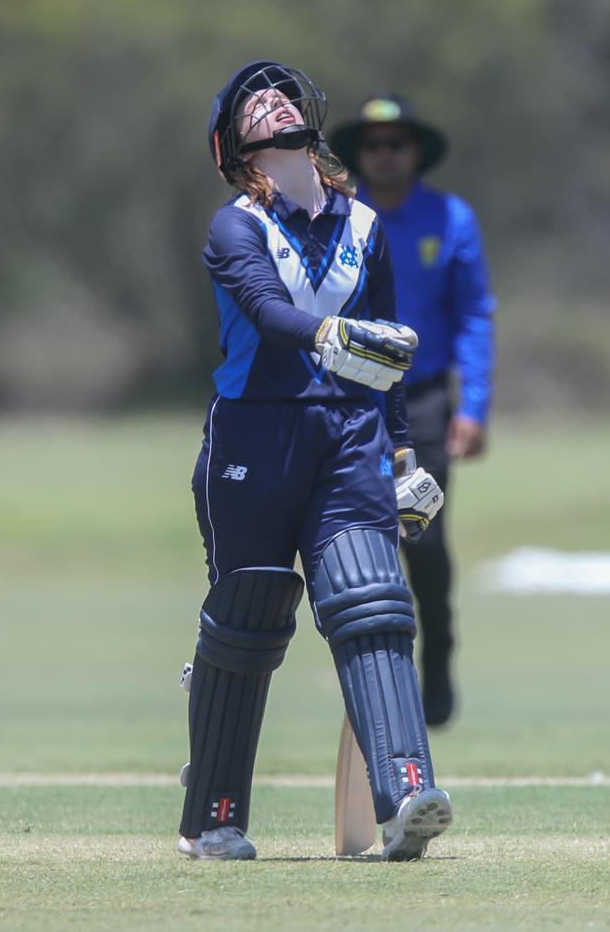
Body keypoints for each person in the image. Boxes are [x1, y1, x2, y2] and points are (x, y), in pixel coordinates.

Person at [178, 61, 452, 863]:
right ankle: (215, 818)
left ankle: (406, 798)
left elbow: (389, 350)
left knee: (374, 606)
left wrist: (404, 457)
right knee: (248, 621)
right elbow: (266, 311)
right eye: (251, 102)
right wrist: (333, 337)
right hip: (253, 441)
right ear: (235, 147)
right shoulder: (235, 226)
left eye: (282, 94)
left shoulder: (365, 226)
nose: (271, 100)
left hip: (348, 438)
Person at [329, 95, 496, 726]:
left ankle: (438, 663)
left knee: (420, 538)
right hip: (348, 396)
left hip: (423, 401)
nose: (385, 154)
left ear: (415, 152)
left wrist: (473, 406)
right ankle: (371, 685)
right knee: (352, 541)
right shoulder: (341, 218)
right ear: (360, 156)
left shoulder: (450, 219)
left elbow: (475, 313)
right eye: (373, 145)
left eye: (396, 143)